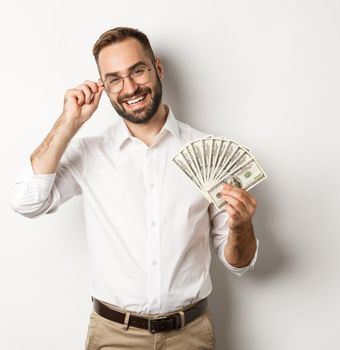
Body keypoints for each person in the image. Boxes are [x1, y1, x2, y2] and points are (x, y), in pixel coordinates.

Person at [9, 27, 259, 350]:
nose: (129, 88)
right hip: (114, 337)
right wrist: (68, 121)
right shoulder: (89, 153)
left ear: (158, 67)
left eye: (137, 71)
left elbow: (240, 263)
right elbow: (26, 201)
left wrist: (241, 227)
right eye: (114, 79)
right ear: (104, 87)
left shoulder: (209, 152)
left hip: (191, 336)